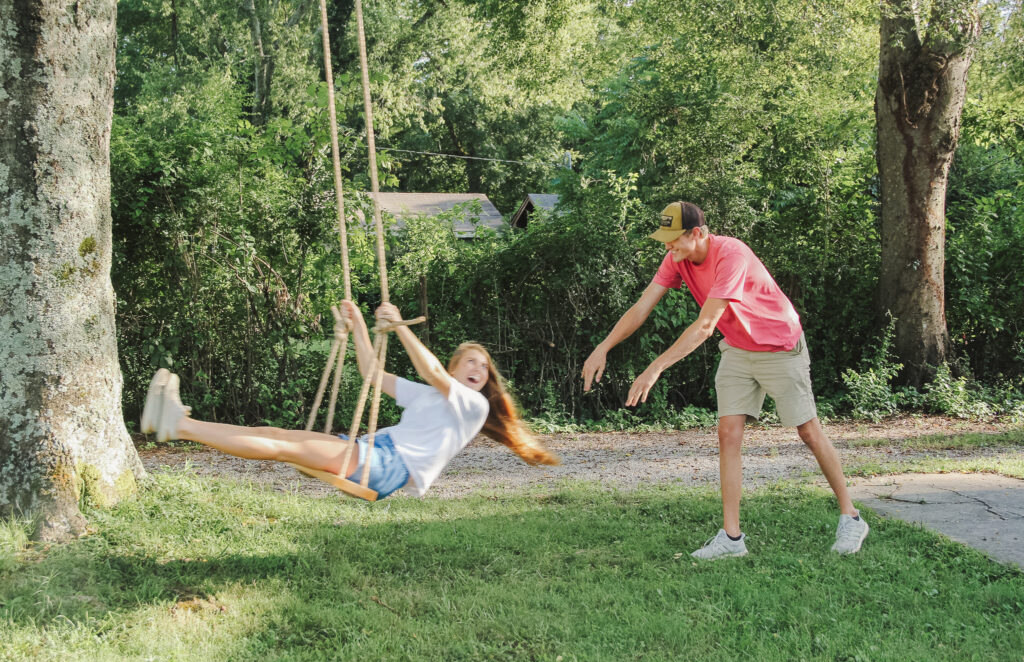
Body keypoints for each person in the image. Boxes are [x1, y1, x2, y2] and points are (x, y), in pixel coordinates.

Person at [582, 201, 868, 559]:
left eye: (674, 239)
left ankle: (851, 517)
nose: (668, 247)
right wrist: (603, 347)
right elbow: (643, 306)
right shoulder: (675, 259)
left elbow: (705, 325)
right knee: (728, 433)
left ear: (697, 233)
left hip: (778, 343)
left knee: (807, 431)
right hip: (738, 347)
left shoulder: (730, 254)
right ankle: (732, 540)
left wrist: (655, 367)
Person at [141, 300, 559, 499]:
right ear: (454, 371)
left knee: (280, 446)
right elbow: (372, 374)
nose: (476, 369)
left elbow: (428, 368)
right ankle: (177, 419)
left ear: (485, 381)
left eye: (482, 367)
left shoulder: (475, 406)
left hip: (386, 465)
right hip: (375, 453)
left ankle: (177, 426)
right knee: (271, 433)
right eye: (468, 363)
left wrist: (398, 328)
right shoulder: (432, 396)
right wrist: (360, 323)